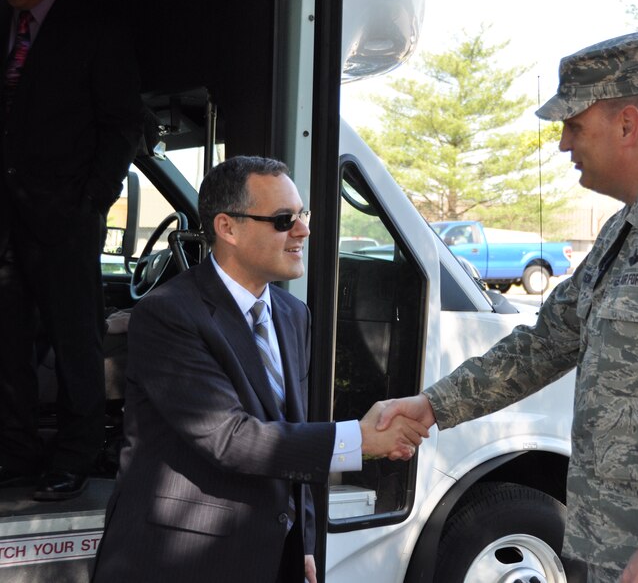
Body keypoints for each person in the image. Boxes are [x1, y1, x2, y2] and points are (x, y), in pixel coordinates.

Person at [377, 31, 638, 582]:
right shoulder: (628, 228)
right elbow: (543, 344)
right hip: (618, 546)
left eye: (574, 125)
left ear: (627, 123)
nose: (564, 144)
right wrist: (432, 405)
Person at [91, 156, 427, 583]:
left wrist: (303, 541)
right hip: (176, 564)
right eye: (284, 219)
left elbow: (292, 427)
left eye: (302, 214)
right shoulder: (166, 314)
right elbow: (228, 438)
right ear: (227, 228)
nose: (303, 230)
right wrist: (359, 439)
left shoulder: (293, 314)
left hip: (272, 557)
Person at [0, 0, 144, 500]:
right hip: (7, 217)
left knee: (74, 339)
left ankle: (74, 455)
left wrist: (92, 202)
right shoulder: (7, 22)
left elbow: (125, 123)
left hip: (65, 216)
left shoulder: (94, 22)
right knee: (8, 337)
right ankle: (16, 452)